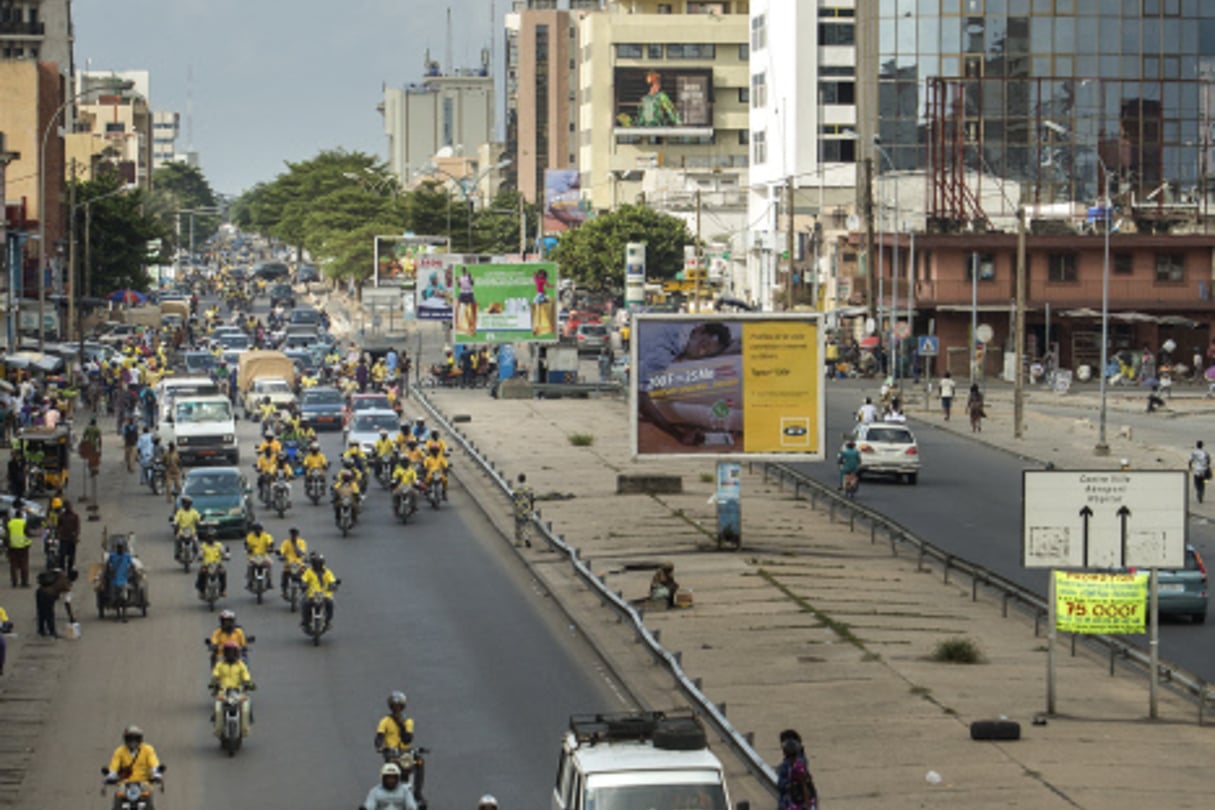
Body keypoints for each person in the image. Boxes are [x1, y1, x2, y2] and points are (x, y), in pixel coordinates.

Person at [103, 725, 164, 803]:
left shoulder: (148, 750)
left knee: (148, 797)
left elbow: (154, 764)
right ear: (125, 739)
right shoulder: (119, 751)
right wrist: (109, 776)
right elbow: (113, 768)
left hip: (143, 782)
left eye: (136, 738)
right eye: (130, 738)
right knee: (118, 796)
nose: (133, 742)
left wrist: (157, 774)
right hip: (125, 783)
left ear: (140, 739)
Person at [209, 641, 255, 738]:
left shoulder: (240, 664)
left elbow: (246, 674)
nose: (231, 654)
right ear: (225, 653)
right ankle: (218, 729)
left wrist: (248, 683)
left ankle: (245, 728)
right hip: (223, 692)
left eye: (233, 652)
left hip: (238, 691)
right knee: (218, 707)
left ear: (237, 653)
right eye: (228, 652)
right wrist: (214, 683)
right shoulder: (220, 664)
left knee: (246, 705)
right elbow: (215, 674)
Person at [776, 730, 817, 810]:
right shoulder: (792, 764)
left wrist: (807, 804)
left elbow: (804, 785)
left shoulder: (797, 766)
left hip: (798, 802)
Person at [300, 553, 338, 629]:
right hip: (312, 595)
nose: (318, 565)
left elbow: (332, 580)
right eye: (316, 563)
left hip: (325, 595)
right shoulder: (309, 572)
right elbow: (304, 579)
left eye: (319, 563)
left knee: (331, 604)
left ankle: (327, 621)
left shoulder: (327, 572)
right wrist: (304, 584)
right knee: (304, 603)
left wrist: (333, 585)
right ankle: (305, 620)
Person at [36, 568, 74, 638]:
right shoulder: (67, 585)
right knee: (49, 614)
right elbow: (67, 603)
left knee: (41, 612)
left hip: (40, 591)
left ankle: (41, 630)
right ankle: (52, 632)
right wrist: (71, 617)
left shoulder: (60, 573)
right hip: (49, 595)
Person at [196, 531, 228, 599]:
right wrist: (199, 557)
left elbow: (224, 552)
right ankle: (201, 591)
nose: (210, 539)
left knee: (223, 572)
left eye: (212, 537)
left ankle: (222, 590)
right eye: (209, 537)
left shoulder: (219, 545)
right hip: (206, 565)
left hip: (217, 565)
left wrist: (226, 556)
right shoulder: (203, 546)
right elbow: (200, 553)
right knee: (201, 574)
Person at [278, 527, 308, 598]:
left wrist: (295, 545)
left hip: (299, 564)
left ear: (297, 535)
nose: (294, 536)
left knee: (306, 576)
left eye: (295, 534)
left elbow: (301, 552)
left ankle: (305, 591)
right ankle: (284, 591)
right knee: (284, 575)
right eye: (292, 534)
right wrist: (281, 555)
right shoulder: (286, 542)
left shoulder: (302, 542)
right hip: (289, 564)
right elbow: (282, 550)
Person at [244, 522, 274, 590]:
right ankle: (250, 581)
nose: (257, 531)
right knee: (250, 566)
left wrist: (270, 548)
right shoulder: (250, 536)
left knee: (269, 564)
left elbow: (271, 543)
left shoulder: (266, 536)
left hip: (264, 556)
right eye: (255, 530)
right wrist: (248, 549)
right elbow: (246, 544)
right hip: (253, 556)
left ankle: (269, 581)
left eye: (259, 529)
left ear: (261, 529)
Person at [6, 507, 30, 588]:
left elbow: (7, 535)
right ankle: (24, 582)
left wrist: (8, 545)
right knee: (24, 565)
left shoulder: (10, 523)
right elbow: (27, 534)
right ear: (21, 516)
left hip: (12, 547)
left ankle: (14, 582)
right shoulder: (23, 523)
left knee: (13, 565)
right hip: (23, 547)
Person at [57, 499, 80, 576]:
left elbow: (77, 527)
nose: (68, 508)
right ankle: (62, 570)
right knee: (62, 555)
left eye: (69, 506)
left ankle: (70, 570)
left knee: (71, 556)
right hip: (63, 538)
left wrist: (76, 536)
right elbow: (58, 525)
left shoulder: (75, 516)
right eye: (66, 506)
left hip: (71, 539)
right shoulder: (62, 516)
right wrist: (59, 534)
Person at [512, 473, 534, 548]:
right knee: (527, 524)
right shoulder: (528, 487)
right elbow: (531, 497)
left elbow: (513, 497)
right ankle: (527, 538)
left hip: (518, 508)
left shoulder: (516, 488)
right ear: (525, 479)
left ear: (518, 479)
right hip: (526, 508)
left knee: (518, 526)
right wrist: (532, 506)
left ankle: (518, 542)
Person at [1190, 440, 1212, 504]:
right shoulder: (1205, 453)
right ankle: (1201, 493)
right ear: (1202, 446)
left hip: (1197, 471)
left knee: (1197, 484)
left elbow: (1190, 461)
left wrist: (1190, 468)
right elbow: (1208, 461)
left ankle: (1199, 492)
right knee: (1205, 482)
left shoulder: (1194, 453)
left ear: (1197, 445)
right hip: (1204, 471)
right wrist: (1206, 466)